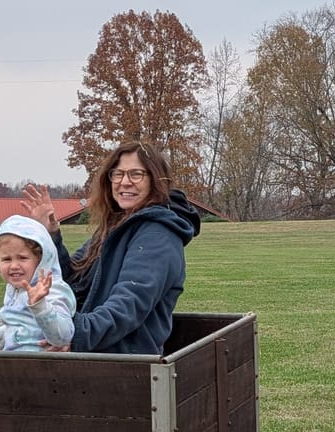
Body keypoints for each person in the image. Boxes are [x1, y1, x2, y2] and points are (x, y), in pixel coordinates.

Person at [21, 143, 200, 356]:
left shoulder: (158, 235)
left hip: (125, 361)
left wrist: (75, 334)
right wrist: (51, 237)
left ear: (155, 179)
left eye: (136, 174)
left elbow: (128, 306)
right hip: (98, 353)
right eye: (118, 174)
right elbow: (73, 281)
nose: (125, 182)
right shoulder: (116, 226)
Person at [0, 214, 76, 351]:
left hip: (38, 365)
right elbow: (16, 323)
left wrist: (40, 306)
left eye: (22, 258)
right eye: (6, 259)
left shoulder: (51, 290)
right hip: (10, 360)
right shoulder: (14, 288)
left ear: (41, 259)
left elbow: (63, 337)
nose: (14, 266)